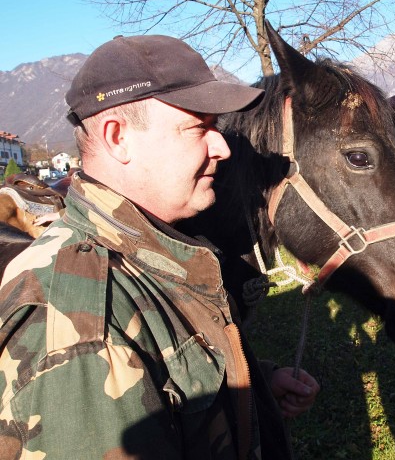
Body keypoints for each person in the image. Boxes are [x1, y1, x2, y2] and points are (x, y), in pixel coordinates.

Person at [0, 34, 319, 459]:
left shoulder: (153, 248)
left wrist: (253, 385)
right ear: (118, 138)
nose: (222, 146)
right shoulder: (80, 335)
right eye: (199, 126)